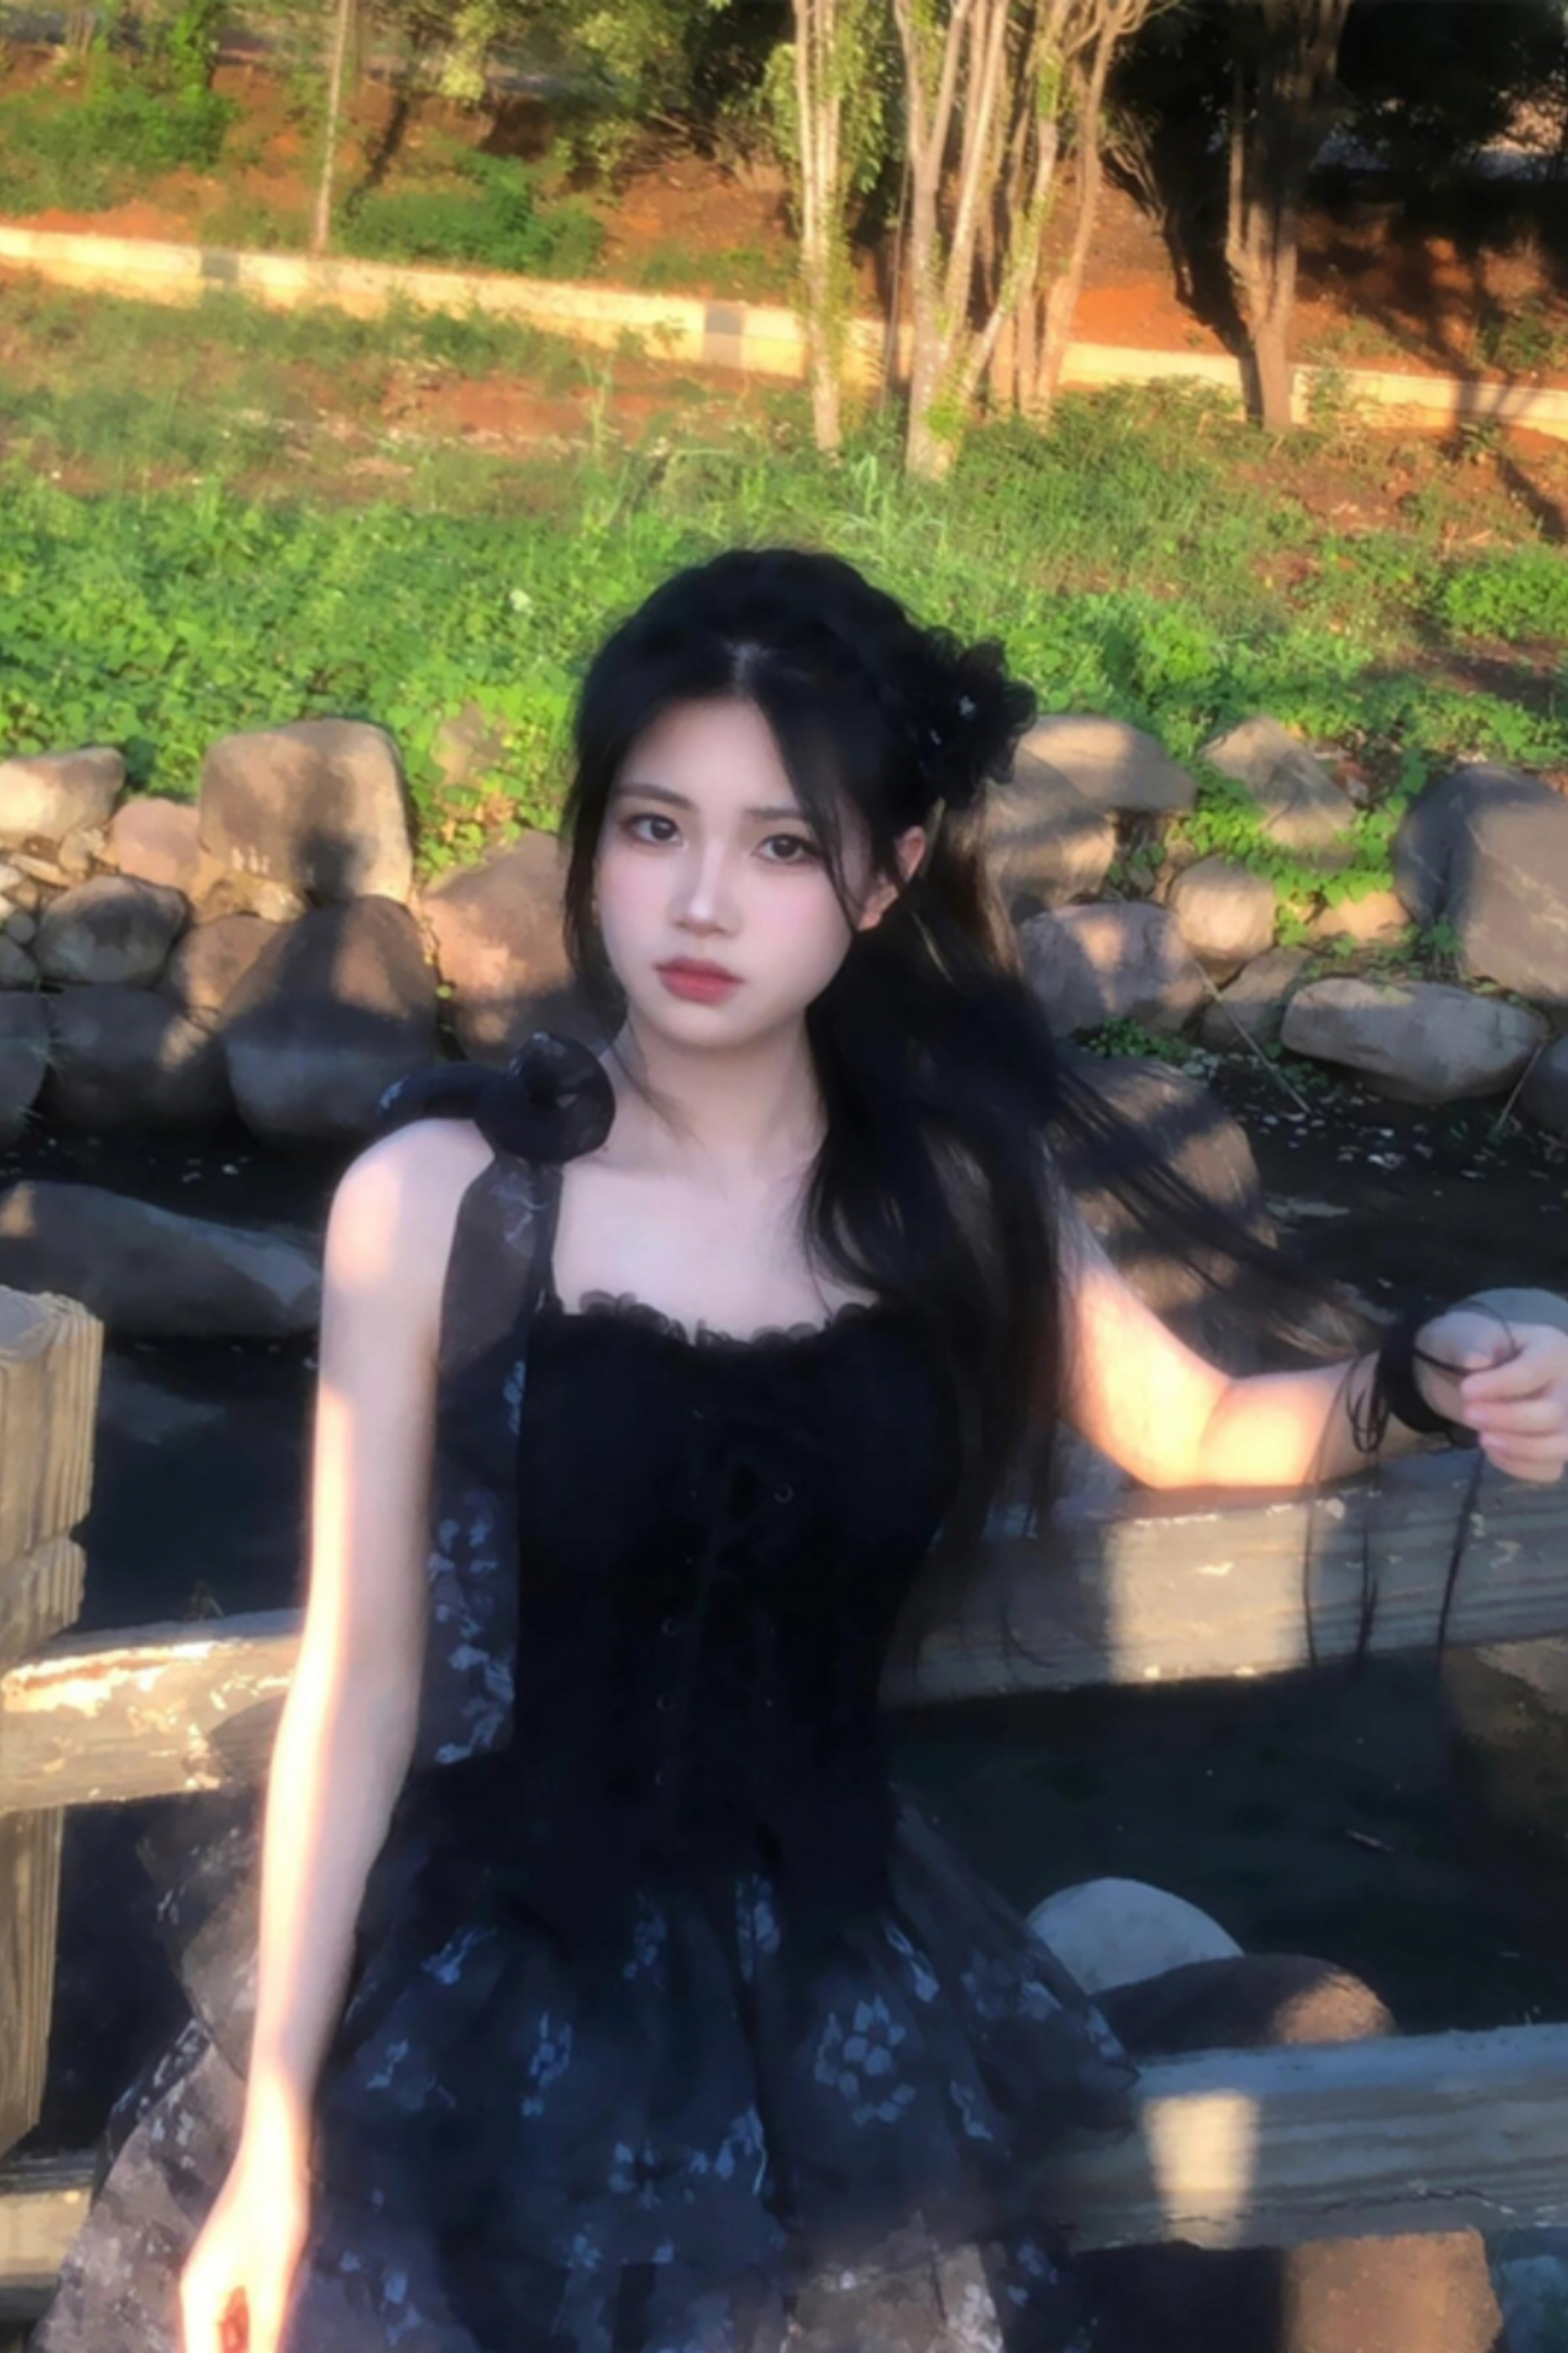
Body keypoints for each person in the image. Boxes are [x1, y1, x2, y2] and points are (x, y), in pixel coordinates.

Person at [34, 547, 1568, 2353]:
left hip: (837, 1984)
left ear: (885, 876)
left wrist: (1424, 1380)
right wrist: (276, 2127)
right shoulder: (438, 1197)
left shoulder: (953, 1192)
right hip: (473, 1977)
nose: (701, 901)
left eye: (779, 846)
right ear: (591, 841)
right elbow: (360, 1684)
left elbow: (1198, 1423)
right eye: (655, 827)